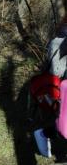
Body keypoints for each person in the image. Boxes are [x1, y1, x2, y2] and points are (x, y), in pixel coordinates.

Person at [34, 17, 67, 158]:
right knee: (62, 125)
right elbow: (56, 71)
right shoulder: (59, 41)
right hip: (61, 89)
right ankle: (43, 133)